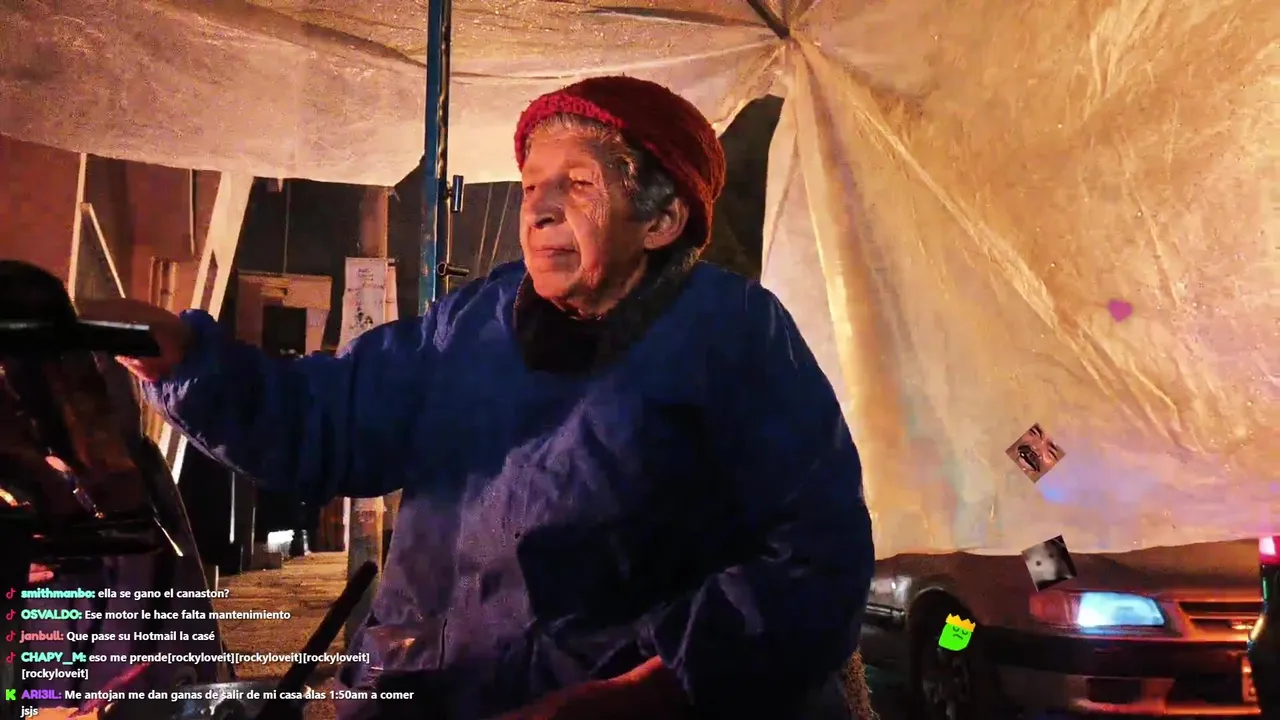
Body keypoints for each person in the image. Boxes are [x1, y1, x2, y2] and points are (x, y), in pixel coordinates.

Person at [88, 76, 875, 720]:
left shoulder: (734, 335)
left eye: (577, 183)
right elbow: (326, 419)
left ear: (663, 218)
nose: (538, 208)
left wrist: (650, 694)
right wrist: (184, 358)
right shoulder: (473, 323)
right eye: (532, 185)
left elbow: (814, 560)